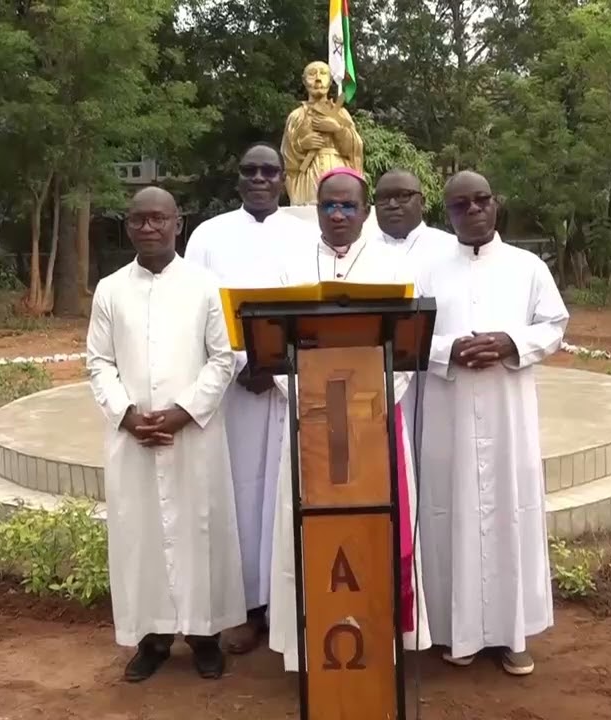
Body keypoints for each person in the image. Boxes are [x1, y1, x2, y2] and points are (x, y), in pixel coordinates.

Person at [268, 166, 433, 671]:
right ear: (316, 210)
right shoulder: (290, 265)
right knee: (307, 532)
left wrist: (371, 400)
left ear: (366, 211)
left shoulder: (391, 267)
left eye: (348, 206)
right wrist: (310, 400)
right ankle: (310, 648)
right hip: (309, 426)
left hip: (373, 423)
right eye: (328, 206)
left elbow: (406, 353)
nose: (338, 214)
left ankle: (378, 641)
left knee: (375, 532)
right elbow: (274, 347)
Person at [85, 187, 244, 682]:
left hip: (192, 434)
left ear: (179, 223)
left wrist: (184, 411)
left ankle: (204, 637)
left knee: (200, 533)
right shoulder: (109, 289)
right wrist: (127, 414)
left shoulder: (207, 285)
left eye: (158, 218)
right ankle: (151, 640)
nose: (148, 228)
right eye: (138, 220)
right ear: (127, 226)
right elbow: (98, 362)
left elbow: (226, 358)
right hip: (133, 437)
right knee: (141, 538)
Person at [413, 170, 568, 676]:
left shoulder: (528, 267)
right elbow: (407, 336)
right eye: (461, 204)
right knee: (448, 515)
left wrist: (509, 344)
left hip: (507, 412)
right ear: (448, 213)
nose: (473, 210)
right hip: (448, 412)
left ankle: (512, 633)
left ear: (496, 204)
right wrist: (448, 350)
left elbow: (553, 326)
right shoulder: (429, 270)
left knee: (511, 515)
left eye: (481, 200)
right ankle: (459, 632)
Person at [182, 142, 316, 654]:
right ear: (237, 178)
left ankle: (288, 605)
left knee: (285, 494)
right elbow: (196, 311)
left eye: (269, 171)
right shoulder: (208, 236)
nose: (259, 178)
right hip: (232, 390)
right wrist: (241, 366)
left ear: (284, 179)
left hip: (287, 386)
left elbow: (314, 312)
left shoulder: (306, 238)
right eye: (249, 170)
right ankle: (244, 606)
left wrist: (276, 368)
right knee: (238, 496)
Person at [373, 168, 457, 455]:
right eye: (384, 198)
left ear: (422, 201)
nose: (393, 204)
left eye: (402, 196)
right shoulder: (360, 249)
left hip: (438, 372)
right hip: (379, 374)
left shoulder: (450, 248)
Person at [279, 60, 366, 205]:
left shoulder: (341, 113)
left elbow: (355, 149)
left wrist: (337, 129)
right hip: (309, 174)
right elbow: (286, 156)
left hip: (339, 170)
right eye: (312, 74)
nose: (318, 78)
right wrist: (301, 145)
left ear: (331, 80)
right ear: (304, 81)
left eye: (323, 73)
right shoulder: (297, 116)